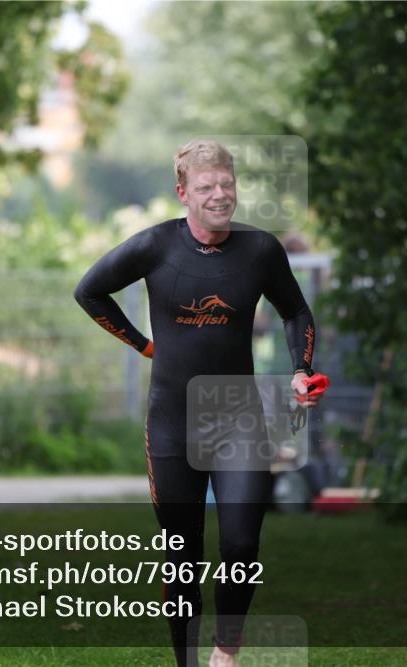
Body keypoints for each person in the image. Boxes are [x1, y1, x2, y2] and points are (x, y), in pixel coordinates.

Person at [74, 139, 322, 667]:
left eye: (227, 184)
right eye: (206, 186)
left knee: (241, 546)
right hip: (173, 423)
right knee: (182, 556)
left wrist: (300, 370)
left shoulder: (260, 250)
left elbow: (295, 311)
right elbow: (89, 291)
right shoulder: (155, 246)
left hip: (239, 420)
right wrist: (143, 345)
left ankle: (225, 652)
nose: (219, 195)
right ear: (183, 192)